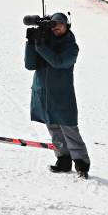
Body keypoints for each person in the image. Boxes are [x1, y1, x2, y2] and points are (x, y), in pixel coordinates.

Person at [24, 13, 91, 179]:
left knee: (69, 129)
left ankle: (81, 163)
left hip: (62, 95)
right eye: (54, 24)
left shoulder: (71, 47)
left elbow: (58, 62)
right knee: (53, 128)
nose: (57, 27)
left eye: (60, 24)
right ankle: (63, 160)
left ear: (67, 26)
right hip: (43, 93)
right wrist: (31, 43)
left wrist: (40, 45)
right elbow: (30, 64)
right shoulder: (45, 43)